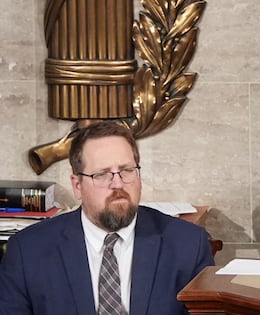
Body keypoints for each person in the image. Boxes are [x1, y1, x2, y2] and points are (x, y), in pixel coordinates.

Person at [0, 120, 214, 315]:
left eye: (127, 170)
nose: (118, 184)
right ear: (77, 186)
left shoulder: (188, 245)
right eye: (101, 174)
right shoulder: (28, 251)